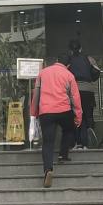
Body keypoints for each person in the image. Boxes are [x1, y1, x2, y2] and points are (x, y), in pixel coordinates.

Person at [30, 54, 82, 187]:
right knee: (69, 129)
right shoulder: (69, 75)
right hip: (64, 110)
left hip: (46, 112)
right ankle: (63, 154)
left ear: (56, 61)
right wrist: (78, 116)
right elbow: (75, 97)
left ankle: (48, 169)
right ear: (68, 65)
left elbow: (36, 94)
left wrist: (34, 112)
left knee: (48, 142)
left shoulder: (43, 73)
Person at [65, 39, 100, 149]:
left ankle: (77, 143)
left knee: (75, 117)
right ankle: (87, 138)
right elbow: (96, 72)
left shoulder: (68, 60)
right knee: (87, 116)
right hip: (88, 91)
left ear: (70, 50)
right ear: (81, 49)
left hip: (73, 91)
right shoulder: (89, 58)